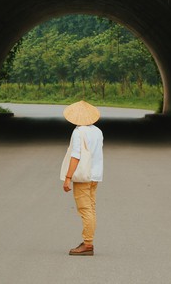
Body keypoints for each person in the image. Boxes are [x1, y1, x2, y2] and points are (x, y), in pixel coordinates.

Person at [61, 100, 104, 256]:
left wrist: (67, 177)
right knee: (91, 208)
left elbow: (75, 156)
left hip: (83, 176)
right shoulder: (98, 131)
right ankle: (88, 241)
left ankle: (87, 244)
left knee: (85, 210)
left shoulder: (79, 132)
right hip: (95, 175)